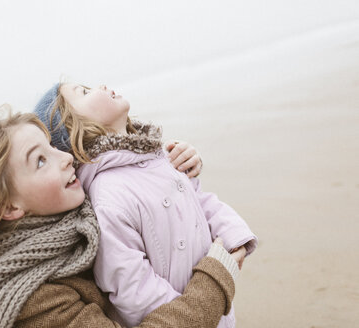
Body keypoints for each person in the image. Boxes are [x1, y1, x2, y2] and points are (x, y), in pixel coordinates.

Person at [0, 110, 244, 328]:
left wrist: (178, 165)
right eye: (40, 161)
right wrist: (215, 278)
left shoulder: (77, 227)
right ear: (9, 208)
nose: (66, 158)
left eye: (53, 147)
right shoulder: (34, 303)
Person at [33, 82, 258, 327]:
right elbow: (132, 287)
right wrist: (196, 311)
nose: (101, 86)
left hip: (217, 304)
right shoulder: (108, 195)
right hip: (189, 315)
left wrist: (234, 239)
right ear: (73, 127)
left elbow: (199, 200)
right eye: (84, 92)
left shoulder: (157, 155)